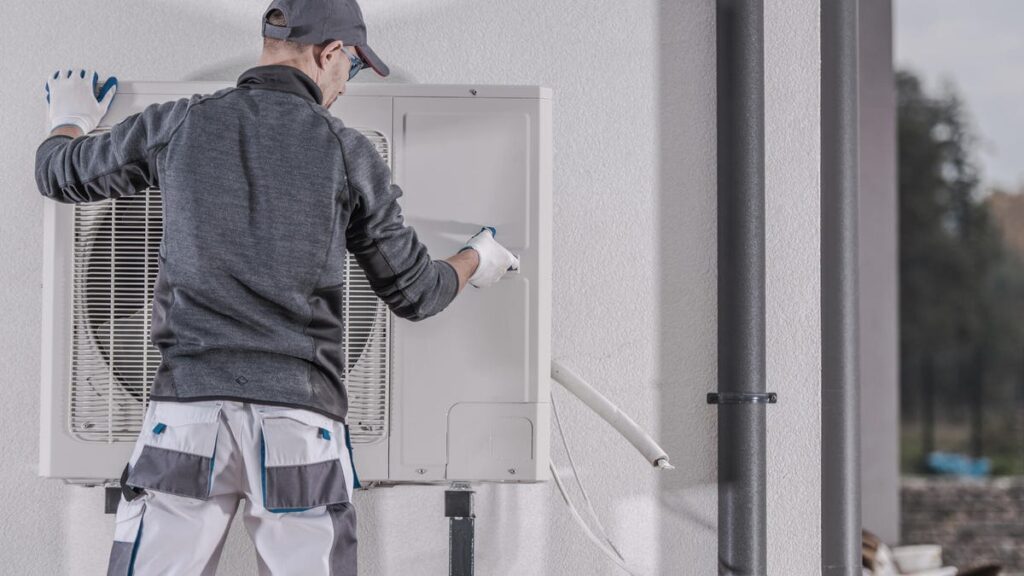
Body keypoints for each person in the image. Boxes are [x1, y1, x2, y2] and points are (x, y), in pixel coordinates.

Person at [34, 0, 519, 573]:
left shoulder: (180, 124)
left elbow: (58, 173)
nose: (345, 84)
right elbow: (417, 292)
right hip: (300, 425)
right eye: (352, 67)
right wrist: (476, 258)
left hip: (186, 418)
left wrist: (69, 119)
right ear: (330, 52)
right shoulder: (347, 151)